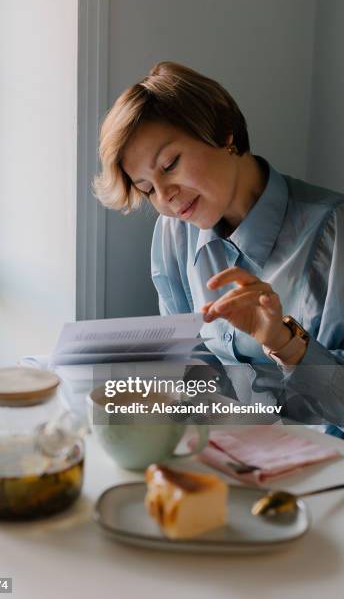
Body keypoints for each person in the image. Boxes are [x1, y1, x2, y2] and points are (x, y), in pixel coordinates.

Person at [93, 61, 344, 435]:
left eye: (170, 164)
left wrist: (283, 343)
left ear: (224, 133)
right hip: (228, 448)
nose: (165, 198)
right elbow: (191, 366)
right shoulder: (174, 232)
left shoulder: (333, 230)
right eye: (146, 188)